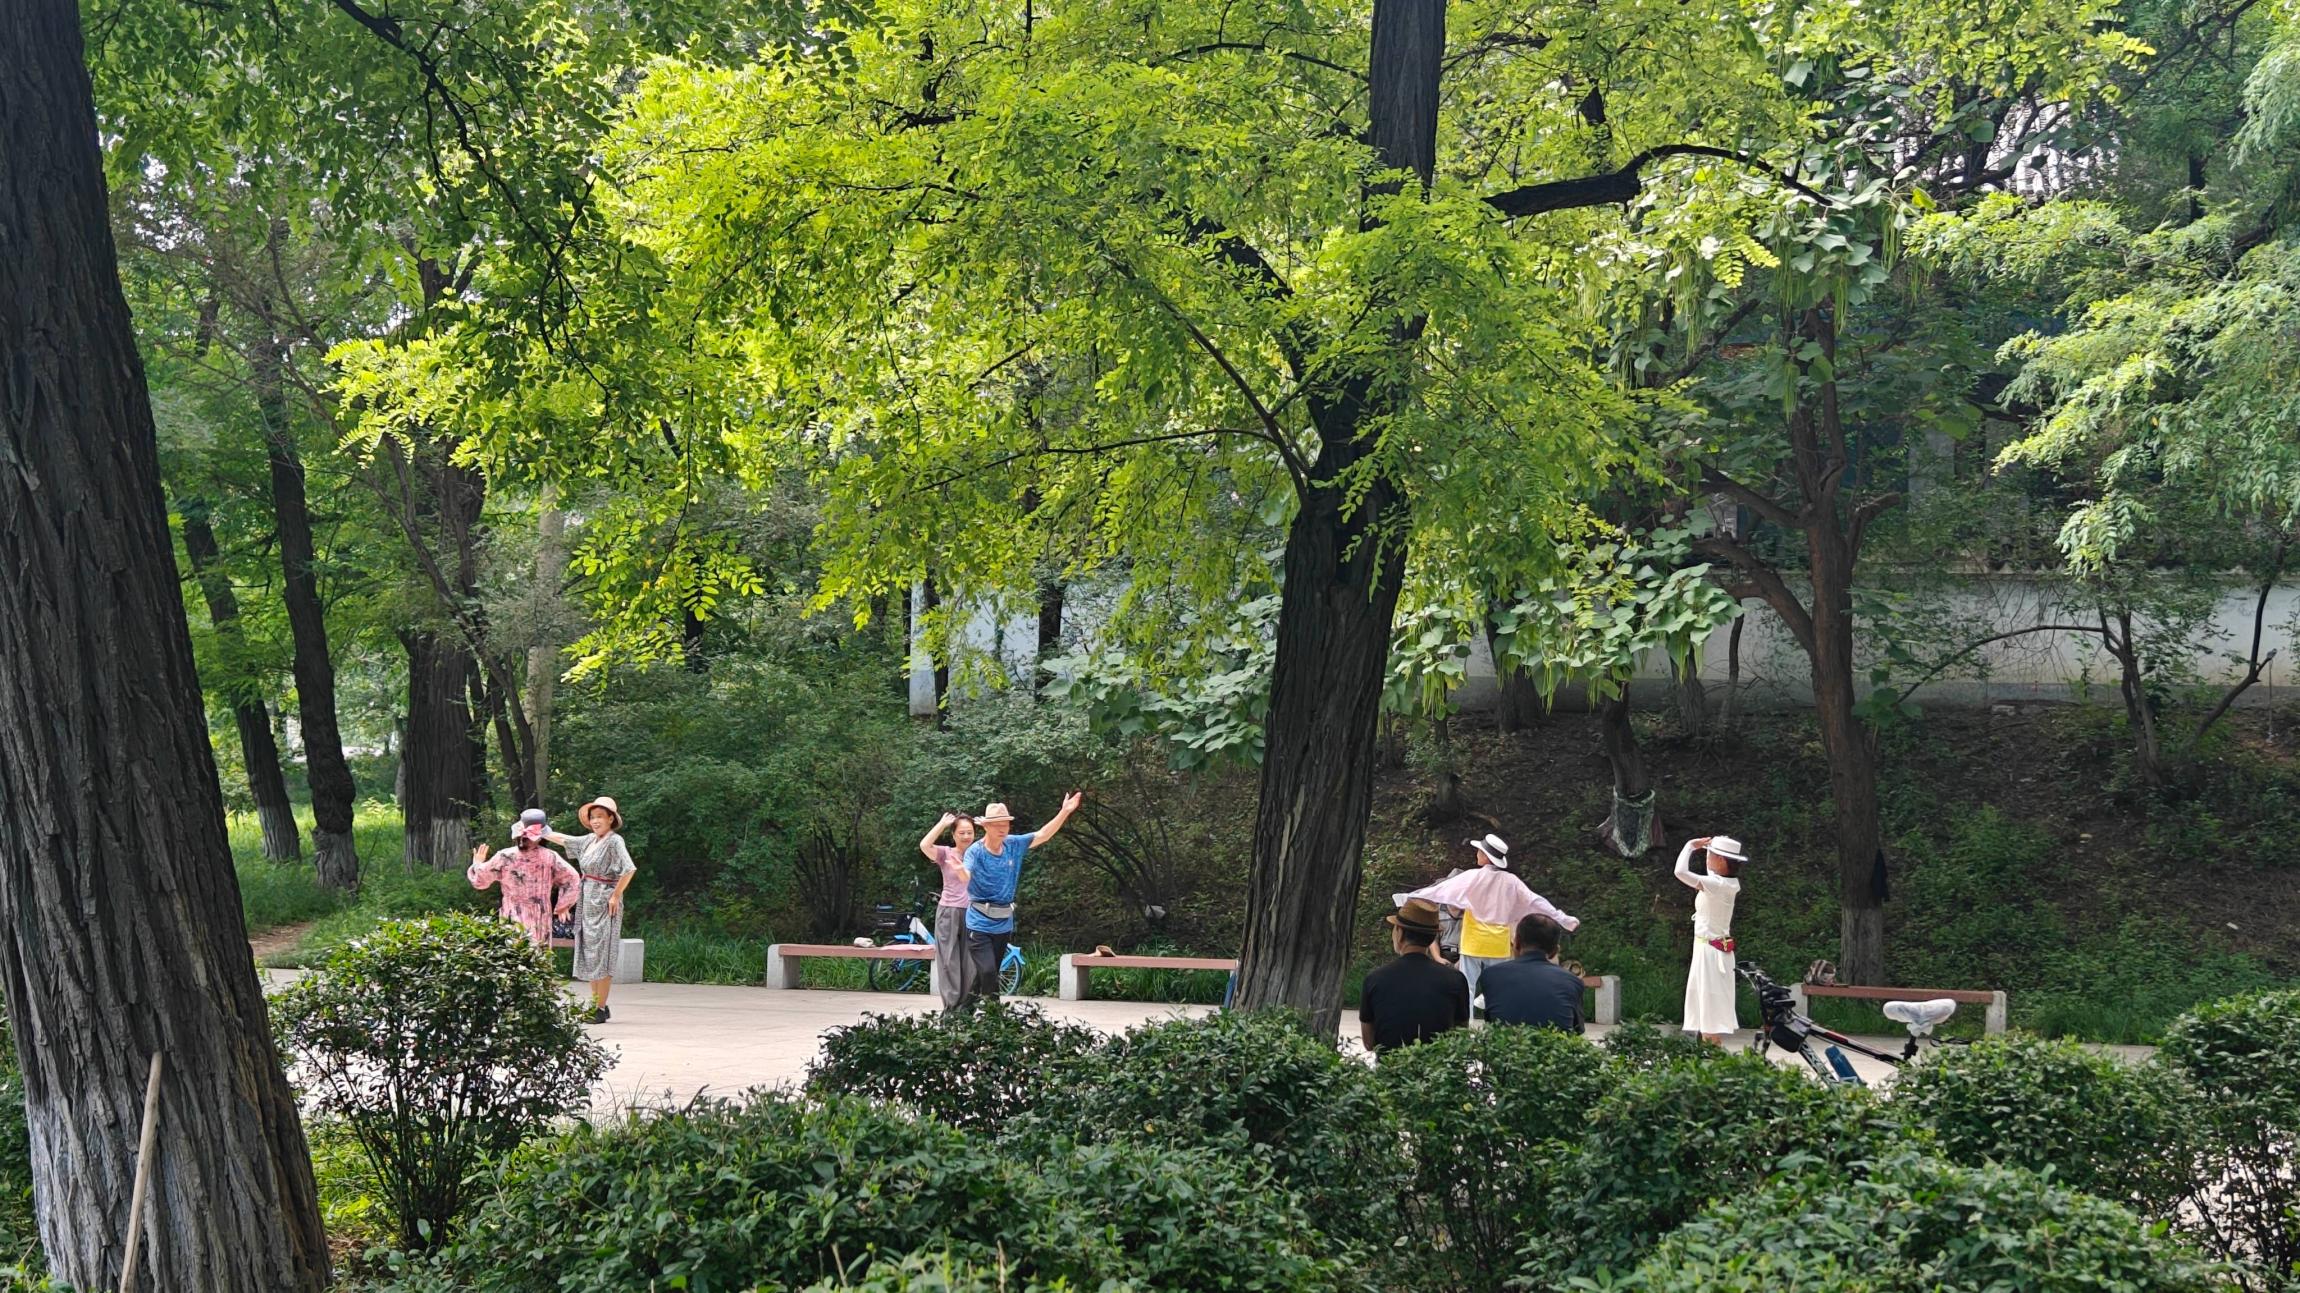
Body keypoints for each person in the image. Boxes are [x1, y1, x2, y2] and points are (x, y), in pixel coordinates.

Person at [1396, 834, 1578, 1018]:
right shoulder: (1511, 881)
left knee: (1467, 985)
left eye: (1479, 851)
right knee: (1500, 985)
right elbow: (1535, 901)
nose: (1476, 853)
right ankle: (1499, 1021)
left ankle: (1466, 1023)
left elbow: (1441, 890)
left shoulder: (1473, 877)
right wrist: (1562, 918)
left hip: (1473, 940)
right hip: (1497, 942)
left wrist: (1409, 897)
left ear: (1485, 856)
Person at [960, 792, 1083, 1002]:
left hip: (1003, 922)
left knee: (988, 974)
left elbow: (1043, 834)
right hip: (979, 922)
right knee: (988, 972)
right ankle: (995, 1016)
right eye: (997, 825)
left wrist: (1064, 812)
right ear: (986, 826)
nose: (1002, 829)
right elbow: (966, 874)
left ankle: (963, 1014)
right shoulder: (975, 852)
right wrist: (960, 873)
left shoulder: (1014, 844)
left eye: (1005, 824)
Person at [546, 796, 637, 1023]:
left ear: (610, 819)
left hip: (605, 900)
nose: (596, 821)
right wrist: (540, 831)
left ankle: (600, 1007)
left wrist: (616, 895)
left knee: (602, 952)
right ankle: (597, 1004)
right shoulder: (589, 840)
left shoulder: (615, 841)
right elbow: (565, 840)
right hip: (587, 898)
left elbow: (629, 869)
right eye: (593, 817)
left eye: (600, 817)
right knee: (590, 951)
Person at [1357, 898, 1470, 1056]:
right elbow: (1461, 1036)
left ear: (1399, 933)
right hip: (1439, 1068)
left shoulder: (1375, 979)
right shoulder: (1455, 980)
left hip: (1390, 1069)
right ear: (1433, 937)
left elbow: (1369, 1043)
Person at [469, 809, 579, 950]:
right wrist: (563, 905)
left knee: (514, 955)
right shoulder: (550, 857)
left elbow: (480, 881)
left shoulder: (504, 856)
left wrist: (477, 863)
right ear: (541, 836)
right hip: (540, 916)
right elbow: (573, 879)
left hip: (512, 914)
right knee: (539, 956)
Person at [1675, 833, 1748, 1043]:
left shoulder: (1718, 885)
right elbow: (1711, 872)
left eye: (1711, 855)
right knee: (1704, 1012)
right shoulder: (1723, 882)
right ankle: (1708, 1054)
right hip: (1707, 950)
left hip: (1711, 954)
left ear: (1722, 861)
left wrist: (1690, 846)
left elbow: (1680, 872)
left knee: (1710, 1016)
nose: (1707, 858)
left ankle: (1712, 1055)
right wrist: (1709, 847)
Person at [1479, 913, 1587, 1033]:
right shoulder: (1572, 981)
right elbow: (1578, 1030)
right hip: (1555, 1045)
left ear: (1516, 943)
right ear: (1555, 951)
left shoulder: (1491, 976)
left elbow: (1491, 1022)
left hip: (1505, 1044)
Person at [917, 810, 976, 1010]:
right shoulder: (946, 853)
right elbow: (924, 845)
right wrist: (941, 824)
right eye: (962, 832)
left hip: (974, 913)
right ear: (953, 835)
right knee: (948, 961)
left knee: (971, 963)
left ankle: (965, 1009)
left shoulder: (979, 853)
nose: (966, 836)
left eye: (970, 832)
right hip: (949, 912)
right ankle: (951, 1009)